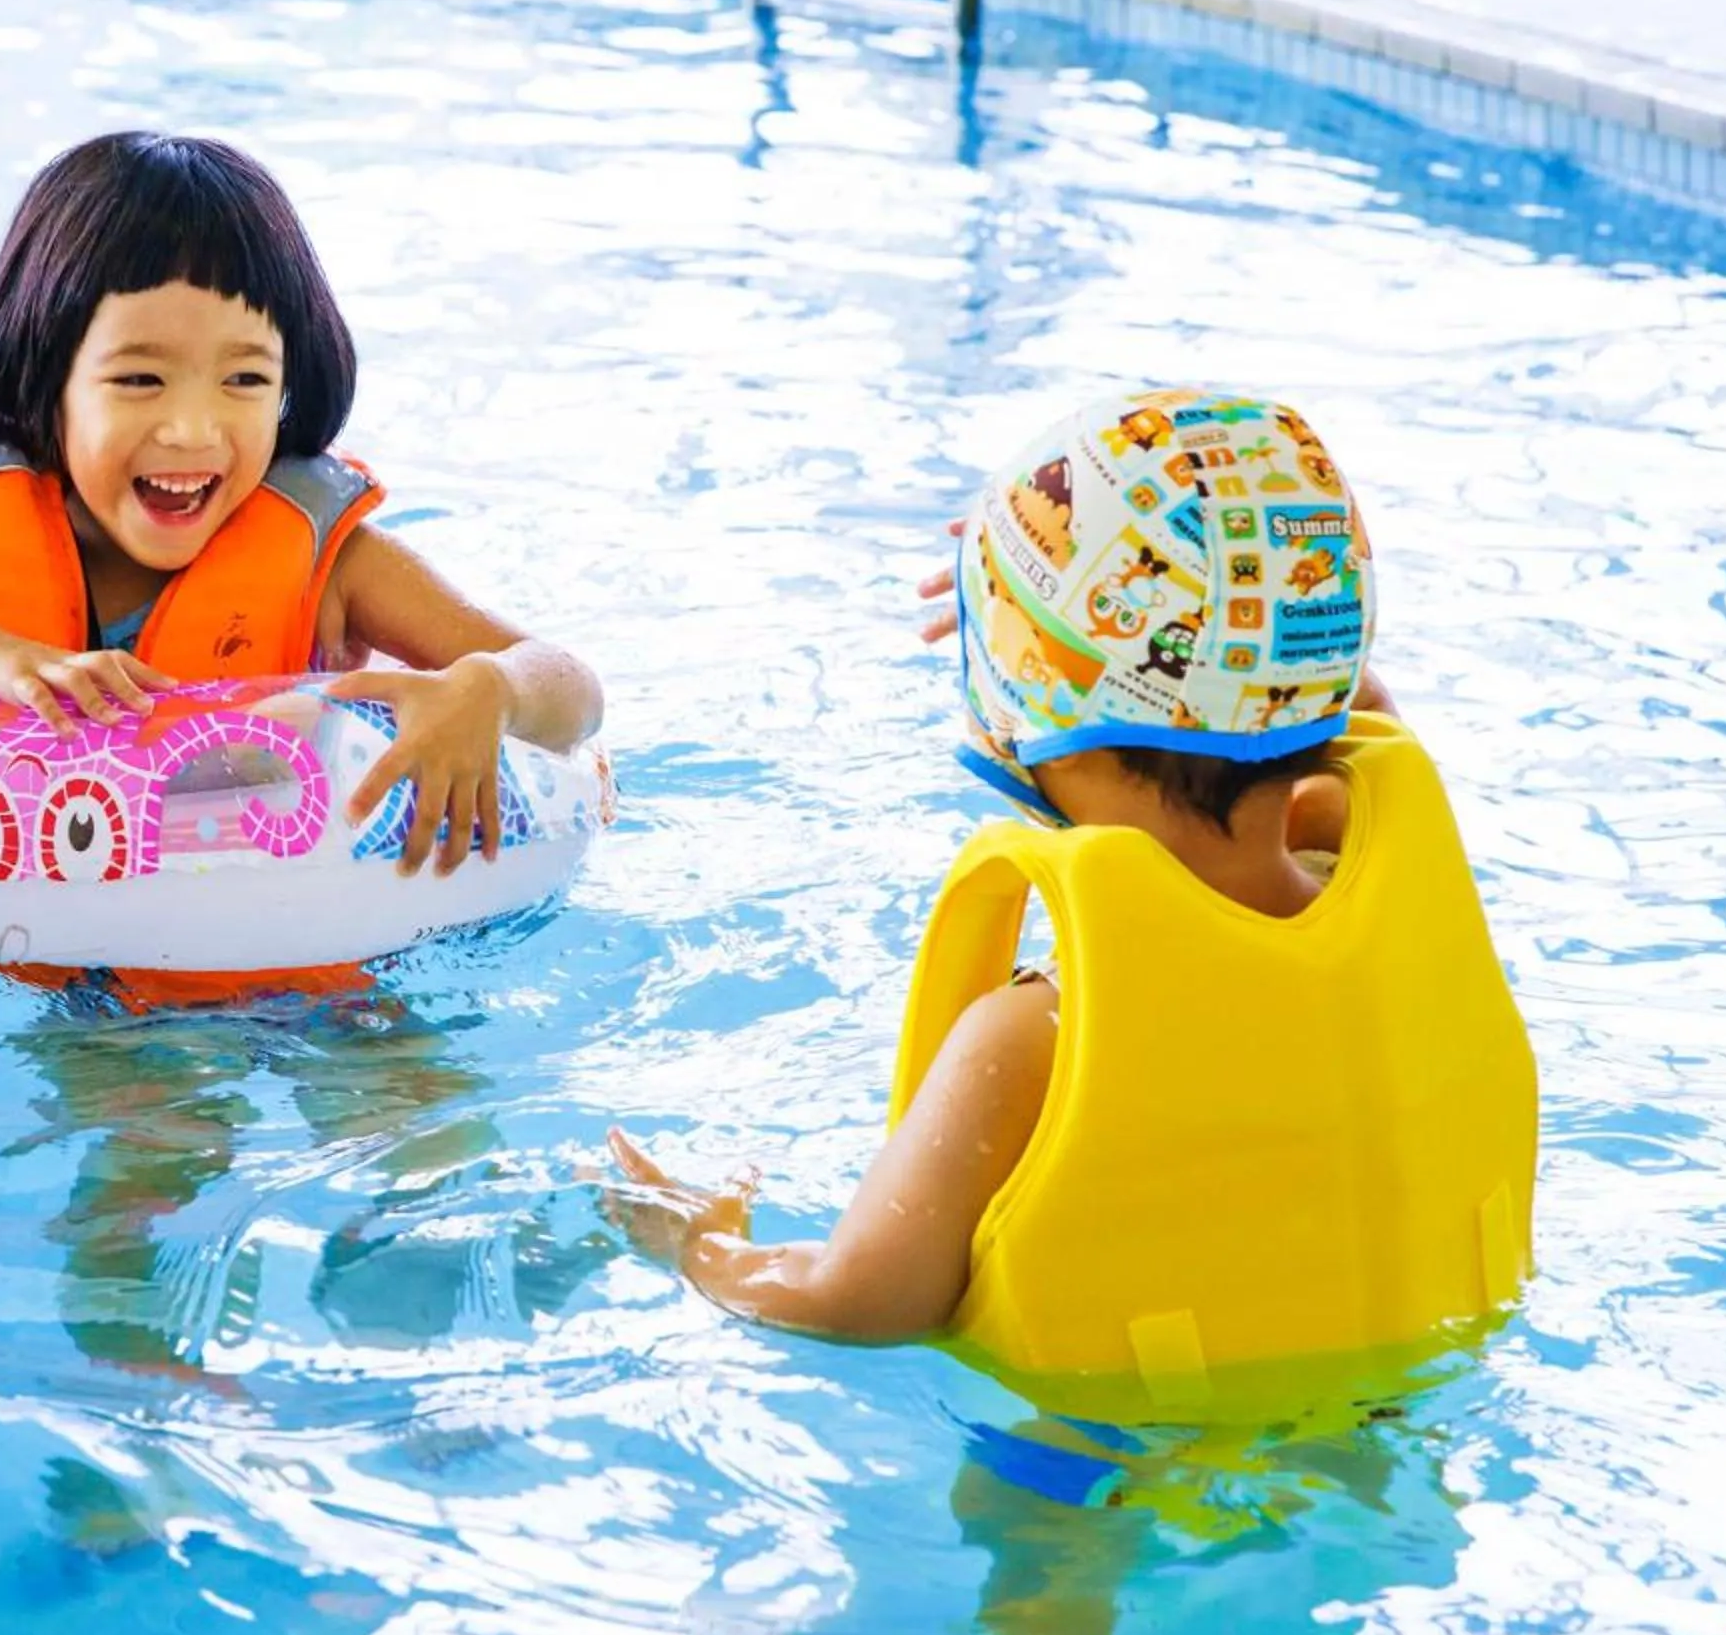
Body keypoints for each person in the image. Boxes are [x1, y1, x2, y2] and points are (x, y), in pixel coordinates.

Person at [606, 390, 1535, 1418]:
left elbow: (855, 1299)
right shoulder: (1368, 867)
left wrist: (699, 1237)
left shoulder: (1036, 1037)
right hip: (1396, 1425)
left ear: (1025, 710)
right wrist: (1080, 583)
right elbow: (1301, 679)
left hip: (1095, 1480)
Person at [0, 131, 602, 877]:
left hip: (314, 925)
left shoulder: (339, 565)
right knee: (138, 1095)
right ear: (47, 378)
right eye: (139, 378)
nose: (191, 430)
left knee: (403, 1087)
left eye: (244, 378)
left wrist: (484, 690)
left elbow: (568, 686)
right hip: (71, 966)